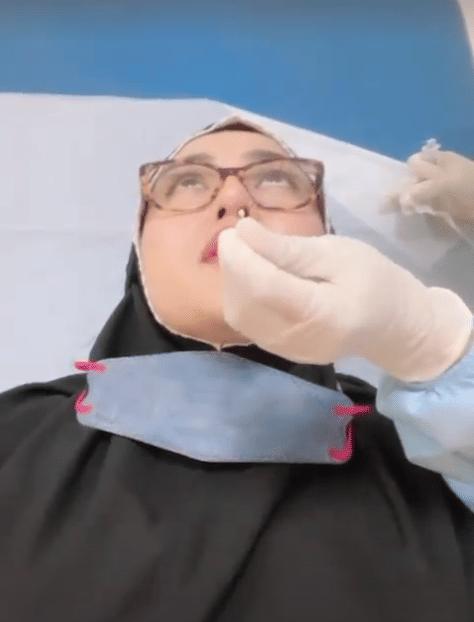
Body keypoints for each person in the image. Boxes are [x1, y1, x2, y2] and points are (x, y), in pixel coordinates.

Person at [1, 115, 474, 622]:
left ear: (328, 238)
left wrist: (437, 347)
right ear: (139, 254)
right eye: (187, 181)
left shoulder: (431, 460)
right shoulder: (14, 434)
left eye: (276, 178)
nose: (234, 200)